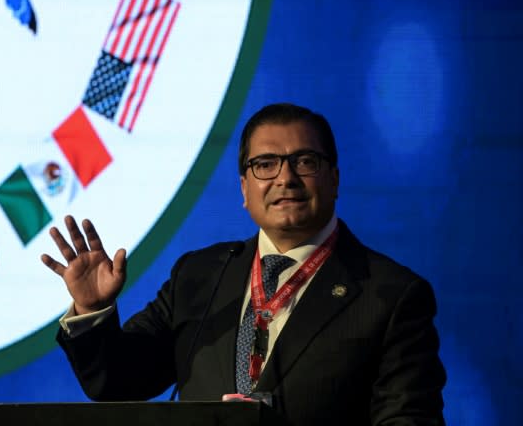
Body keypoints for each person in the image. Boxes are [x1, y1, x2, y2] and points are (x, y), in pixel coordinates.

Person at [40, 103, 446, 426]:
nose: (285, 178)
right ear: (244, 189)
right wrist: (92, 311)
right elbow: (119, 381)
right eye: (265, 164)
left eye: (304, 162)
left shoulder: (390, 295)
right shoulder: (199, 276)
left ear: (335, 178)